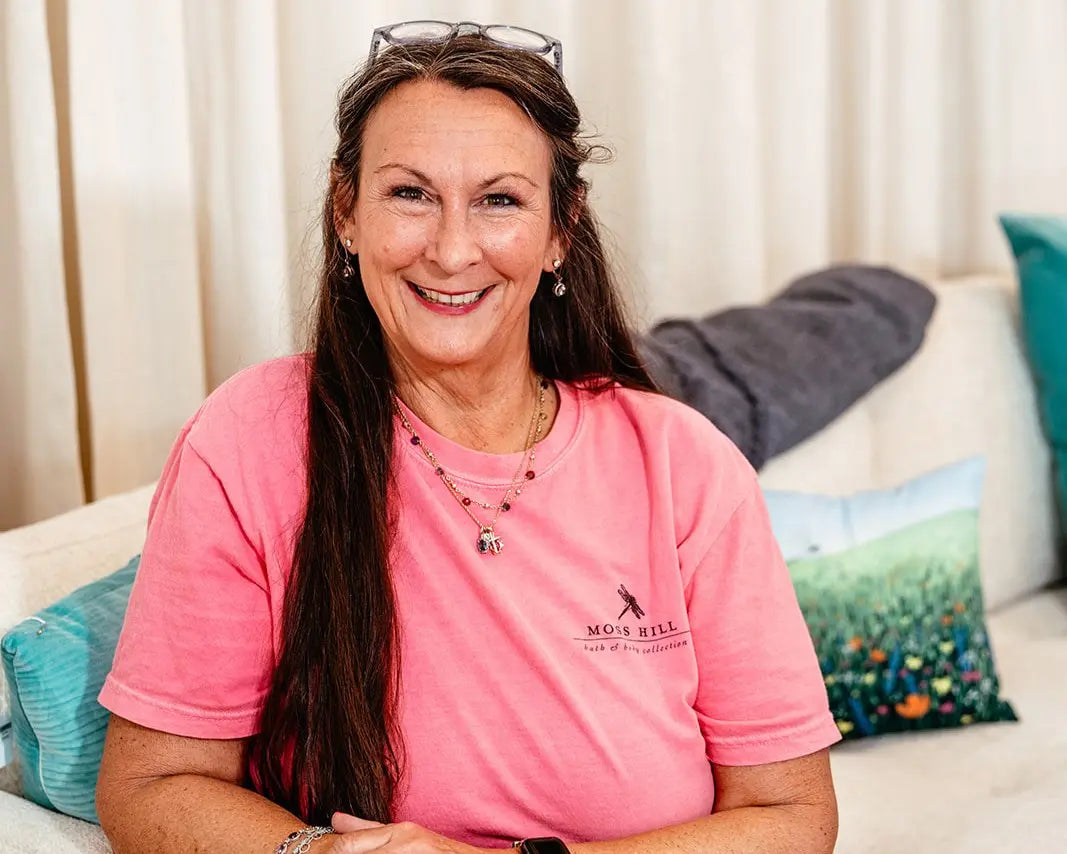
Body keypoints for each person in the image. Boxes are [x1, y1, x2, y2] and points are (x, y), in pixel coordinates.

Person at [95, 21, 840, 854]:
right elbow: (150, 785)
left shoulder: (682, 461)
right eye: (409, 194)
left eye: (499, 200)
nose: (451, 250)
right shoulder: (250, 439)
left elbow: (793, 817)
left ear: (560, 230)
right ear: (347, 215)